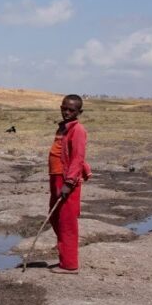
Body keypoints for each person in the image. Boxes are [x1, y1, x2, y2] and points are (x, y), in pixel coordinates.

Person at [48, 94, 91, 273]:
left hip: (66, 180)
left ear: (79, 112)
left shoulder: (78, 130)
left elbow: (78, 157)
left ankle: (69, 264)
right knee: (55, 217)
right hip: (56, 177)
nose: (66, 112)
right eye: (64, 108)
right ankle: (64, 252)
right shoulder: (63, 127)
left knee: (66, 222)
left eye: (71, 110)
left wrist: (69, 182)